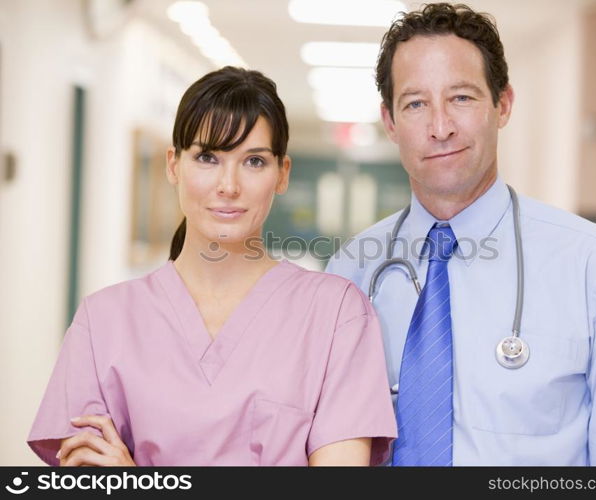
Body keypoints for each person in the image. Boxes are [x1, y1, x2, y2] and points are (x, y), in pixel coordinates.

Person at [325, 3, 596, 465]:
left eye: (462, 98)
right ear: (390, 122)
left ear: (503, 104)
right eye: (416, 104)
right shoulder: (350, 272)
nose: (440, 127)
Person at [27, 66, 397, 466]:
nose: (228, 185)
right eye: (207, 157)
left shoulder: (337, 313)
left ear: (282, 174)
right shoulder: (102, 322)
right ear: (174, 165)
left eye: (254, 161)